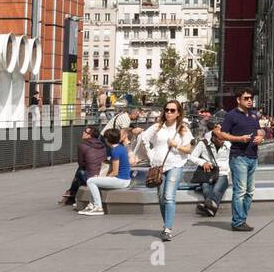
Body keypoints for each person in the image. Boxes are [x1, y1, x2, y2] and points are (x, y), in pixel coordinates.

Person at [138, 100, 195, 242]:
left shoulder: (183, 129)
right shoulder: (158, 127)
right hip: (159, 167)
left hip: (175, 165)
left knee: (169, 197)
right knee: (162, 198)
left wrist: (176, 146)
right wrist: (150, 154)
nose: (169, 112)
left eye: (172, 110)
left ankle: (167, 228)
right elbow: (143, 138)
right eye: (167, 109)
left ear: (178, 113)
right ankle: (166, 225)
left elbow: (189, 149)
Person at [216, 88, 265, 232]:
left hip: (252, 156)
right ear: (238, 100)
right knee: (240, 191)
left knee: (250, 191)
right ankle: (237, 222)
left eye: (251, 98)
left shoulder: (253, 115)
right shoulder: (231, 115)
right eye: (246, 98)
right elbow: (221, 134)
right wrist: (239, 139)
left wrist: (261, 137)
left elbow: (259, 130)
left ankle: (242, 219)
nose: (250, 100)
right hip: (239, 157)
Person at [81, 128, 131, 215]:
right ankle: (92, 204)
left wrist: (103, 178)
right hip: (124, 179)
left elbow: (115, 172)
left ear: (107, 140)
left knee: (90, 181)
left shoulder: (115, 151)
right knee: (95, 180)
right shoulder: (121, 148)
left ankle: (98, 207)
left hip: (121, 180)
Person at [189, 116, 230, 217]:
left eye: (223, 138)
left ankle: (208, 206)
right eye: (220, 139)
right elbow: (191, 157)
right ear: (213, 138)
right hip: (207, 172)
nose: (222, 141)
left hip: (223, 173)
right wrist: (203, 162)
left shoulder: (228, 144)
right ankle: (211, 209)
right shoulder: (203, 144)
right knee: (206, 188)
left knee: (216, 189)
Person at [61, 126, 107, 206]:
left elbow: (81, 163)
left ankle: (75, 195)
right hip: (102, 173)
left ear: (90, 135)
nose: (83, 133)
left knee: (80, 172)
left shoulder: (82, 145)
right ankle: (72, 193)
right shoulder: (102, 144)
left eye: (85, 132)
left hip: (91, 176)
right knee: (81, 170)